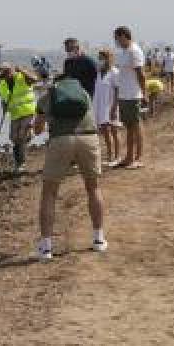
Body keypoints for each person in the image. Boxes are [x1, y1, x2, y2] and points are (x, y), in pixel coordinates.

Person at [33, 75, 107, 260]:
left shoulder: (48, 96)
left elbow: (38, 130)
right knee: (93, 188)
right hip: (88, 138)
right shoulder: (83, 93)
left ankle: (46, 247)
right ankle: (98, 239)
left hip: (60, 140)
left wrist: (41, 122)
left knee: (49, 192)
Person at [113, 26, 147, 169]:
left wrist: (144, 93)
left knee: (136, 126)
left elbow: (141, 74)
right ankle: (128, 157)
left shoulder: (134, 51)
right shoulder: (123, 52)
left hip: (133, 94)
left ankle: (138, 158)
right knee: (129, 127)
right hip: (124, 94)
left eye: (117, 38)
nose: (116, 41)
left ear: (124, 36)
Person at [0, 62, 38, 172]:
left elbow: (35, 79)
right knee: (14, 138)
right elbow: (3, 99)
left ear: (12, 70)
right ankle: (18, 163)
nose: (6, 74)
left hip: (28, 112)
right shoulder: (2, 85)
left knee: (21, 136)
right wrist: (4, 108)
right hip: (15, 114)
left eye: (7, 71)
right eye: (3, 73)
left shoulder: (22, 77)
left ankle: (21, 164)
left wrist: (23, 71)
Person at [92, 49, 121, 166]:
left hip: (111, 105)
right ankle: (109, 156)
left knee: (114, 131)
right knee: (105, 132)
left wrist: (114, 107)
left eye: (102, 58)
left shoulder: (114, 72)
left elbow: (118, 90)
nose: (100, 60)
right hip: (100, 106)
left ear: (108, 59)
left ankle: (117, 156)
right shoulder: (98, 73)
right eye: (99, 58)